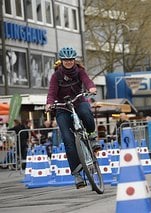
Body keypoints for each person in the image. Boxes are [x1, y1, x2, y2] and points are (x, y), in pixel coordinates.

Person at [45, 47, 101, 189]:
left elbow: (87, 81)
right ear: (61, 61)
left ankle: (92, 136)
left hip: (78, 101)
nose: (69, 62)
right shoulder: (56, 76)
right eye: (66, 60)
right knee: (68, 141)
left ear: (74, 60)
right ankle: (77, 175)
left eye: (71, 59)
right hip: (62, 108)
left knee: (86, 112)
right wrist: (49, 103)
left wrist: (92, 88)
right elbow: (51, 92)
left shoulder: (79, 71)